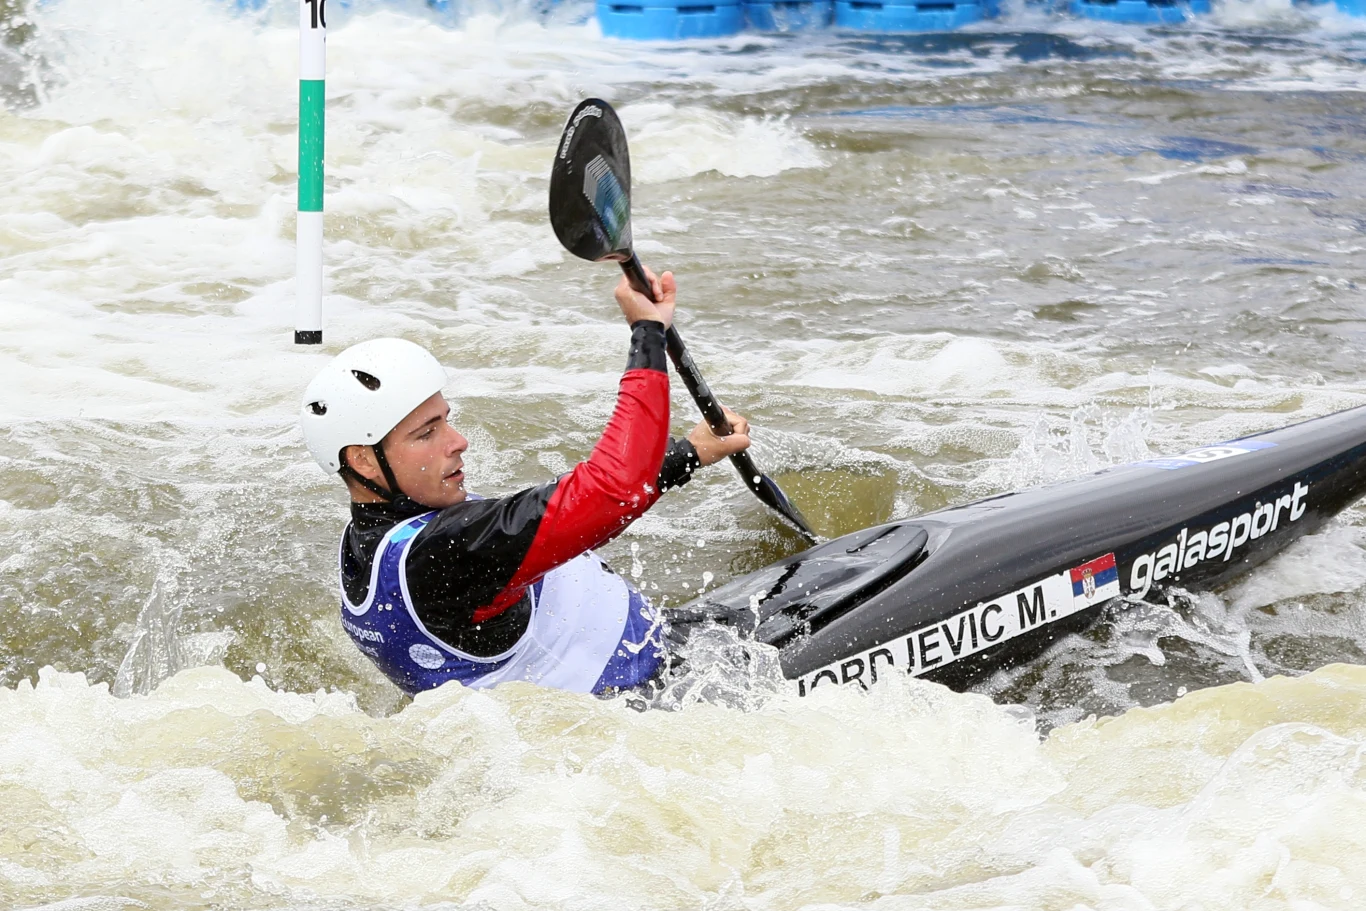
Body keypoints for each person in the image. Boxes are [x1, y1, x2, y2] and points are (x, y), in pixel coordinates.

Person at [300, 268, 753, 696]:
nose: (458, 442)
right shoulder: (441, 555)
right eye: (427, 433)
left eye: (446, 422)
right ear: (362, 460)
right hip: (658, 691)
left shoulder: (372, 541)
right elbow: (612, 488)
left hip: (659, 650)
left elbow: (550, 517)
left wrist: (687, 454)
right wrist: (647, 332)